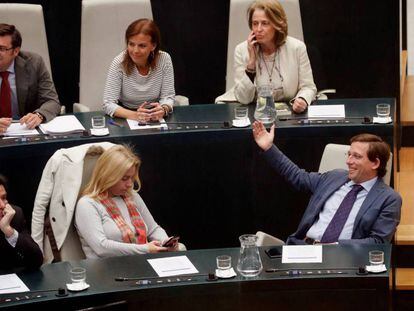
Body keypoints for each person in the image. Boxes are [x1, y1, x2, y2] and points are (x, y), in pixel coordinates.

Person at [252, 121, 401, 244]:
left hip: (345, 259)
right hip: (304, 249)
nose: (348, 161)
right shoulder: (334, 177)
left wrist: (335, 246)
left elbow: (378, 241)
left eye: (356, 156)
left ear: (375, 163)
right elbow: (297, 175)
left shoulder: (389, 199)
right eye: (349, 154)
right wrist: (269, 148)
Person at [75, 145, 178, 258]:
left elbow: (153, 229)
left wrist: (165, 243)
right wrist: (145, 249)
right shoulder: (87, 204)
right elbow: (101, 247)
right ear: (107, 176)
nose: (129, 184)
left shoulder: (132, 196)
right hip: (107, 270)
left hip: (141, 263)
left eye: (131, 178)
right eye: (124, 178)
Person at [218, 0, 316, 113]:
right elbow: (244, 99)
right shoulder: (242, 50)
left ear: (277, 24)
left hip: (291, 113)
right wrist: (251, 64)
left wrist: (302, 99)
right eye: (255, 23)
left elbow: (309, 87)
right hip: (255, 114)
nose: (258, 29)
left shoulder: (297, 48)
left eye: (265, 23)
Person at [103, 19, 175, 123]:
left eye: (142, 46)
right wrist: (136, 115)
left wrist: (163, 109)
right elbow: (108, 104)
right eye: (131, 44)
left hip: (155, 114)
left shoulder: (164, 59)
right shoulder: (119, 63)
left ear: (153, 46)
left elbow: (168, 97)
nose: (135, 51)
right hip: (127, 115)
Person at [0, 23, 61, 134]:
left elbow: (52, 101)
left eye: (1, 49)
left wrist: (39, 115)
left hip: (25, 131)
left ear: (16, 51)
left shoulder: (34, 63)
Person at [0, 174, 43, 270]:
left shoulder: (14, 215)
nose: (2, 205)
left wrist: (9, 231)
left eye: (3, 198)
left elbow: (36, 261)